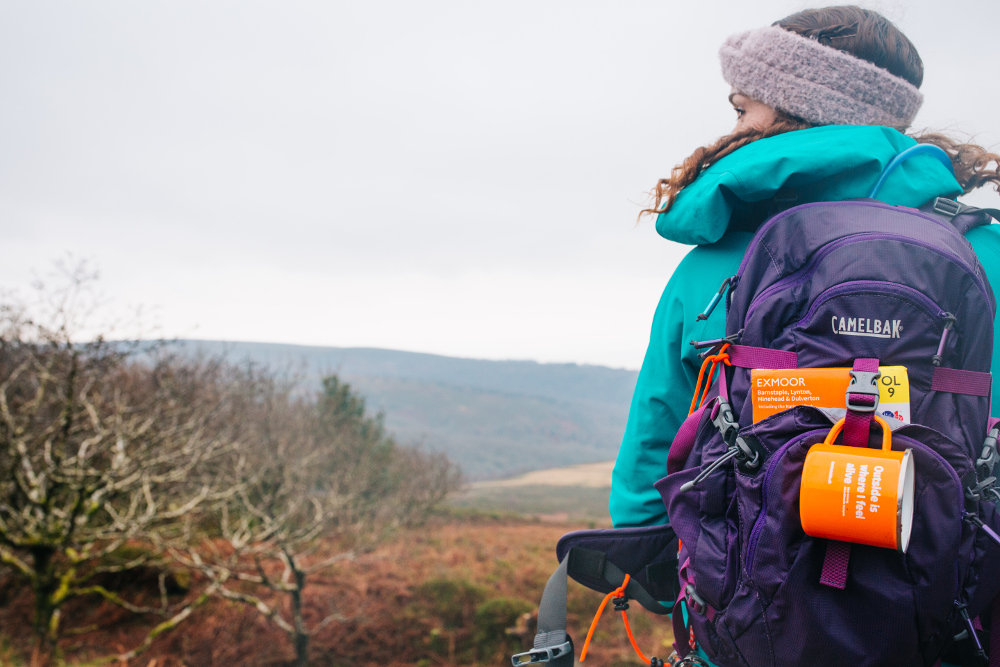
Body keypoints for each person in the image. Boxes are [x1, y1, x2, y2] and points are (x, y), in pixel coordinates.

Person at [610, 5, 1000, 533]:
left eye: (744, 109)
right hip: (957, 590)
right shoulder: (985, 252)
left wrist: (655, 567)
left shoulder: (719, 262)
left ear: (796, 109)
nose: (737, 127)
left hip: (745, 591)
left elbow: (658, 439)